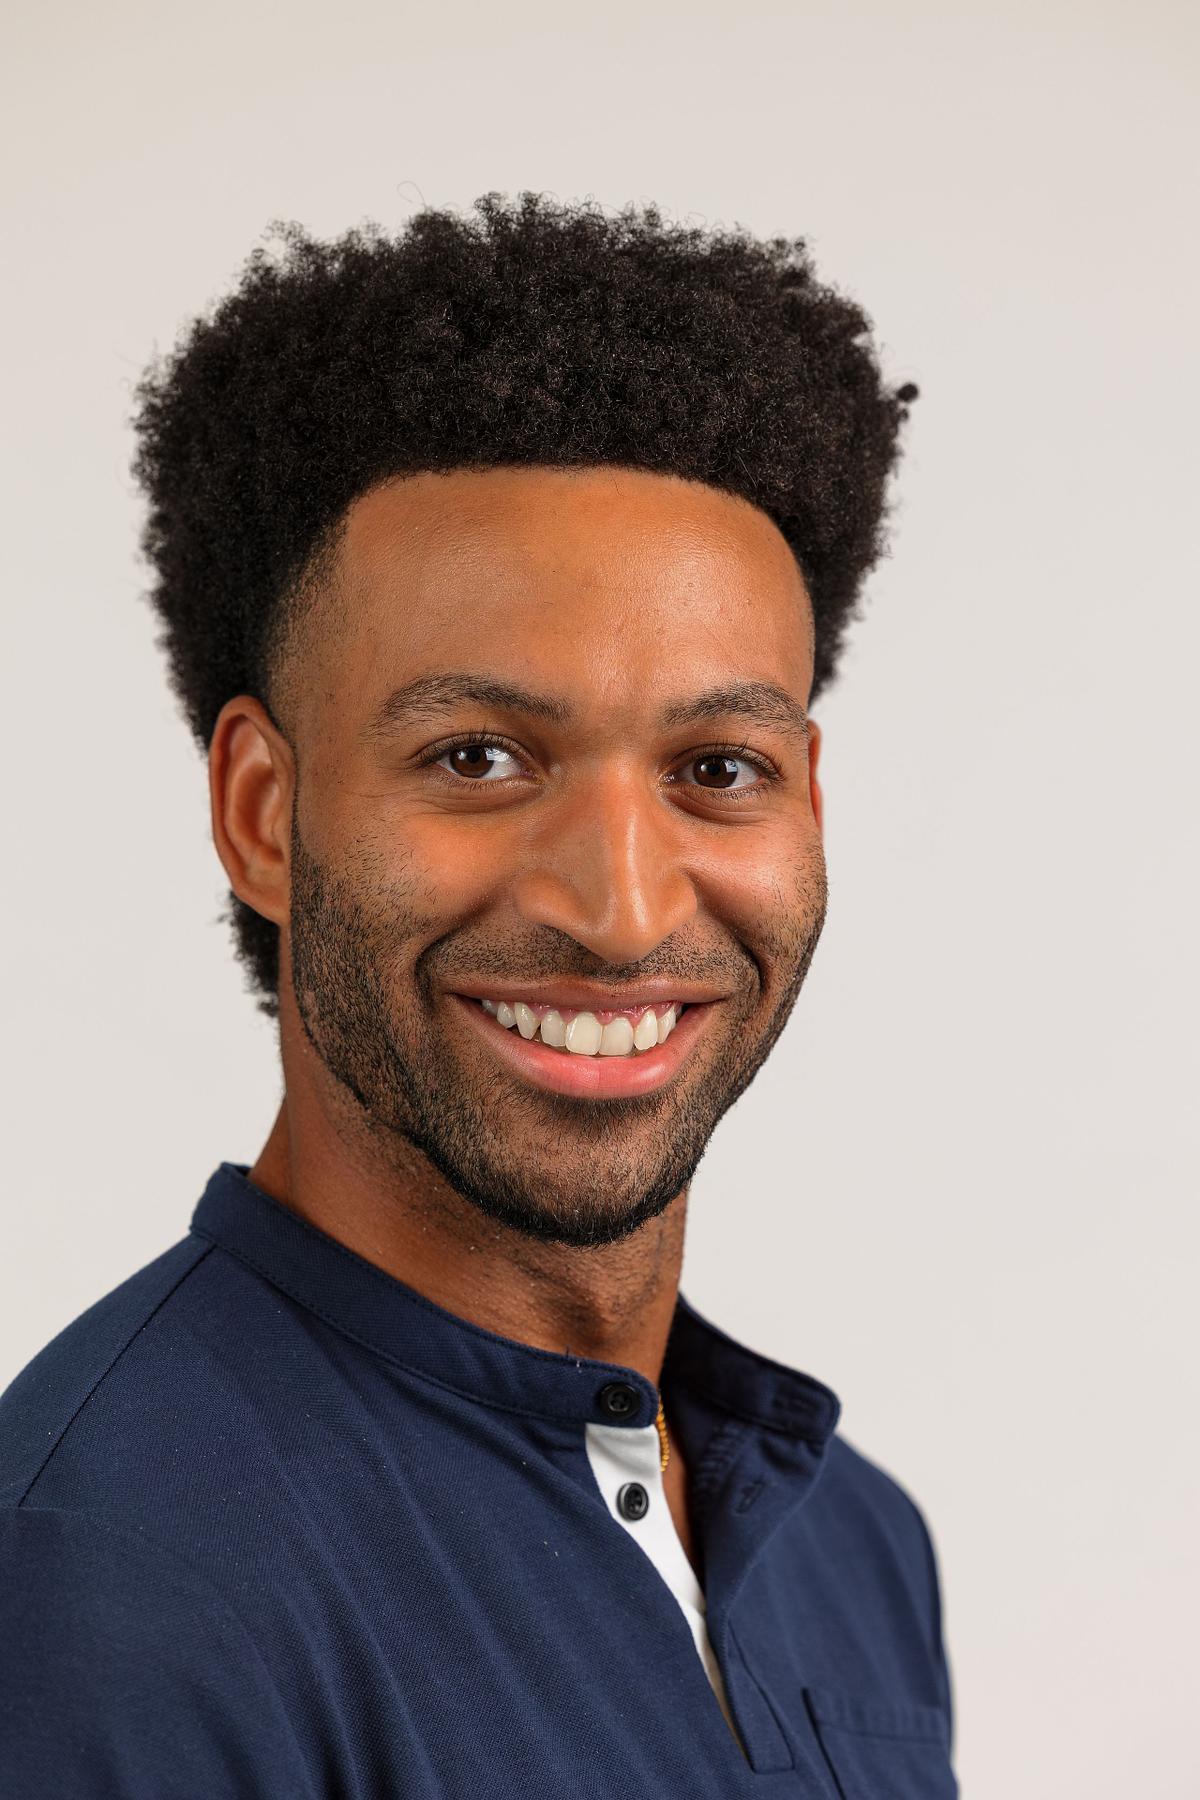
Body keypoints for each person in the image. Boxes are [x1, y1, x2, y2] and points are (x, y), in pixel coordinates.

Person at [0, 192, 956, 1798]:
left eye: (719, 769)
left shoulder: (852, 1544)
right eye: (480, 759)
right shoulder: (116, 1581)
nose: (624, 907)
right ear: (264, 814)